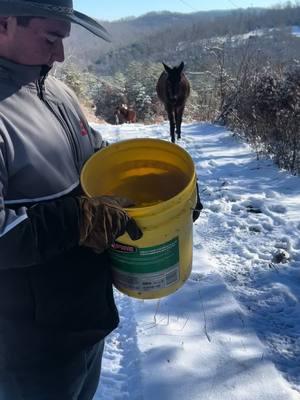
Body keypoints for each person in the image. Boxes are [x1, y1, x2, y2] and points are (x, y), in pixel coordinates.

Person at [0, 1, 143, 399]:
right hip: (29, 352)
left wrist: (160, 191)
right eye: (51, 38)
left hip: (85, 324)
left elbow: (100, 162)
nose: (60, 55)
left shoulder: (57, 91)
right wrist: (81, 217)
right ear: (4, 23)